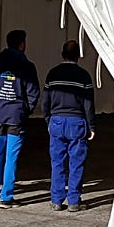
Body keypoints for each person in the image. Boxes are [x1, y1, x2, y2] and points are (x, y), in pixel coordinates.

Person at [0, 30, 40, 209]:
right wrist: (25, 110)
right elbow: (33, 92)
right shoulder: (27, 66)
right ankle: (6, 197)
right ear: (22, 44)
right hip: (16, 117)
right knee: (11, 157)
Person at [42, 40, 95, 212]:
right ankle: (73, 200)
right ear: (78, 56)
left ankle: (56, 200)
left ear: (62, 54)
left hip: (57, 120)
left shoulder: (52, 74)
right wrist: (91, 126)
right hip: (76, 121)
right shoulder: (84, 76)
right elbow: (88, 104)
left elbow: (46, 101)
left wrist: (48, 119)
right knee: (76, 162)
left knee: (57, 161)